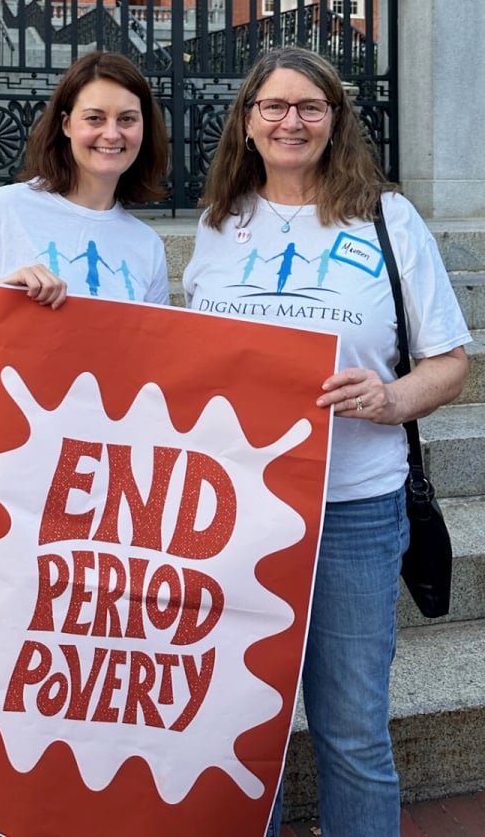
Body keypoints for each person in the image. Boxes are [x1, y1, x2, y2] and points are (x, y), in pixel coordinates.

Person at [182, 46, 470, 837]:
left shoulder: (387, 217)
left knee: (352, 734)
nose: (291, 121)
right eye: (273, 106)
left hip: (353, 510)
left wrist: (387, 398)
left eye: (310, 106)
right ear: (247, 123)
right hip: (234, 515)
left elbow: (450, 364)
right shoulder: (218, 225)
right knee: (245, 738)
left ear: (336, 121)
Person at [0, 49, 170, 837]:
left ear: (144, 132)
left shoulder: (143, 246)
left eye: (127, 118)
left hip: (99, 486)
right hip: (6, 471)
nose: (110, 133)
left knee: (71, 661)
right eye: (94, 117)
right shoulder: (7, 209)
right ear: (64, 124)